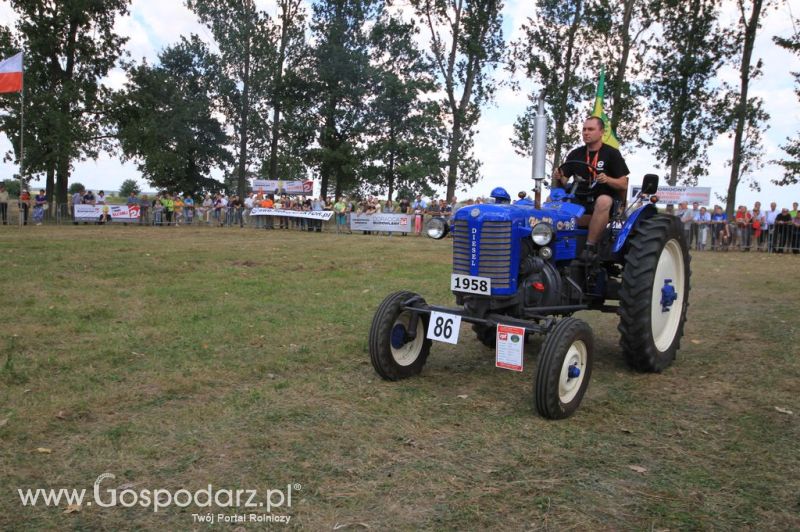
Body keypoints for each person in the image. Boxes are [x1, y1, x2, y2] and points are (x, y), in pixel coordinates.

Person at [552, 116, 629, 261]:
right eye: (584, 129)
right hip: (579, 197)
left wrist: (607, 179)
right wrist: (559, 176)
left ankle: (590, 246)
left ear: (601, 132)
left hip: (601, 199)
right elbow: (564, 180)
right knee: (553, 199)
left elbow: (623, 183)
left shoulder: (612, 154)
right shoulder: (576, 154)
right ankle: (551, 241)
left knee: (604, 201)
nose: (586, 133)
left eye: (591, 129)